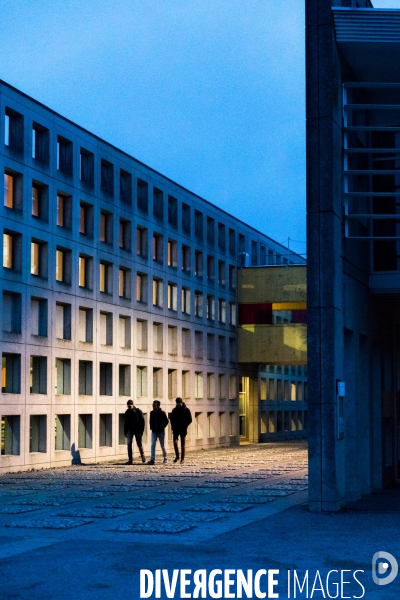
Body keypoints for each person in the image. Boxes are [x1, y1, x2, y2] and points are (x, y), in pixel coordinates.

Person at [170, 397, 192, 464]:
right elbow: (171, 419)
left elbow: (190, 419)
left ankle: (182, 459)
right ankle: (177, 456)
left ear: (181, 403)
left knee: (183, 445)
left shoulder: (186, 410)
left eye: (179, 403)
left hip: (183, 429)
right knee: (175, 442)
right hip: (176, 429)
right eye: (177, 404)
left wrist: (185, 425)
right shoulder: (174, 410)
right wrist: (173, 427)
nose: (178, 405)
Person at [124, 399, 146, 464]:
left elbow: (142, 421)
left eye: (130, 406)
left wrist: (141, 431)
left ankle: (143, 456)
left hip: (137, 430)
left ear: (133, 405)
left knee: (139, 444)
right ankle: (130, 459)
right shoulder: (127, 412)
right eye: (128, 406)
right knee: (129, 444)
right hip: (130, 429)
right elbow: (125, 423)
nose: (129, 407)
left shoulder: (138, 411)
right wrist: (125, 432)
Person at [148, 400, 169, 465]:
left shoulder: (162, 413)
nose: (153, 407)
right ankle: (152, 459)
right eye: (153, 405)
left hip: (161, 431)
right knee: (153, 445)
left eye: (154, 405)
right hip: (154, 431)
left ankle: (165, 457)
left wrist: (162, 426)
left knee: (162, 445)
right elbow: (150, 421)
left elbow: (166, 421)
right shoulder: (152, 413)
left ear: (157, 406)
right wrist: (151, 427)